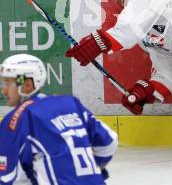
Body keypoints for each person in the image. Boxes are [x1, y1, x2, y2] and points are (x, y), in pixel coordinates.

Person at [0, 53, 118, 183]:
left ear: (27, 84)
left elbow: (7, 177)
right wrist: (94, 169)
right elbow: (109, 142)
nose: (3, 91)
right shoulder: (71, 104)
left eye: (8, 84)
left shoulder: (18, 119)